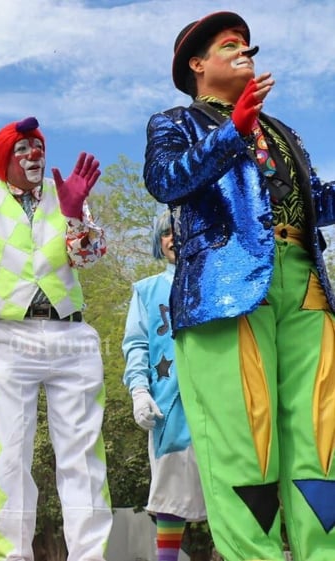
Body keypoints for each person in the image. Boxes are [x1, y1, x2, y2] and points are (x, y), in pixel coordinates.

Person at [143, 11, 335, 561]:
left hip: (303, 282)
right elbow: (166, 181)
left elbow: (314, 203)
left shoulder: (284, 131)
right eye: (231, 45)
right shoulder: (175, 122)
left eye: (249, 45)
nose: (246, 50)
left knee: (321, 436)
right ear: (197, 65)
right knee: (244, 444)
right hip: (226, 291)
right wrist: (232, 132)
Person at [0, 117, 112, 561]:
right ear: (4, 158)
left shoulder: (64, 190)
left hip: (71, 332)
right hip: (13, 336)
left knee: (82, 454)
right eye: (23, 149)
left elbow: (89, 255)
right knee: (10, 454)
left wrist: (74, 214)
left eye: (38, 147)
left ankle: (90, 556)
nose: (34, 155)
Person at [121, 211, 206, 561]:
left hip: (221, 402)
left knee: (234, 488)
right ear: (160, 242)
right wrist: (139, 391)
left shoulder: (218, 281)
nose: (174, 238)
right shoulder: (146, 291)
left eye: (182, 231)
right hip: (170, 406)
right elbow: (136, 345)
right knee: (171, 494)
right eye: (167, 233)